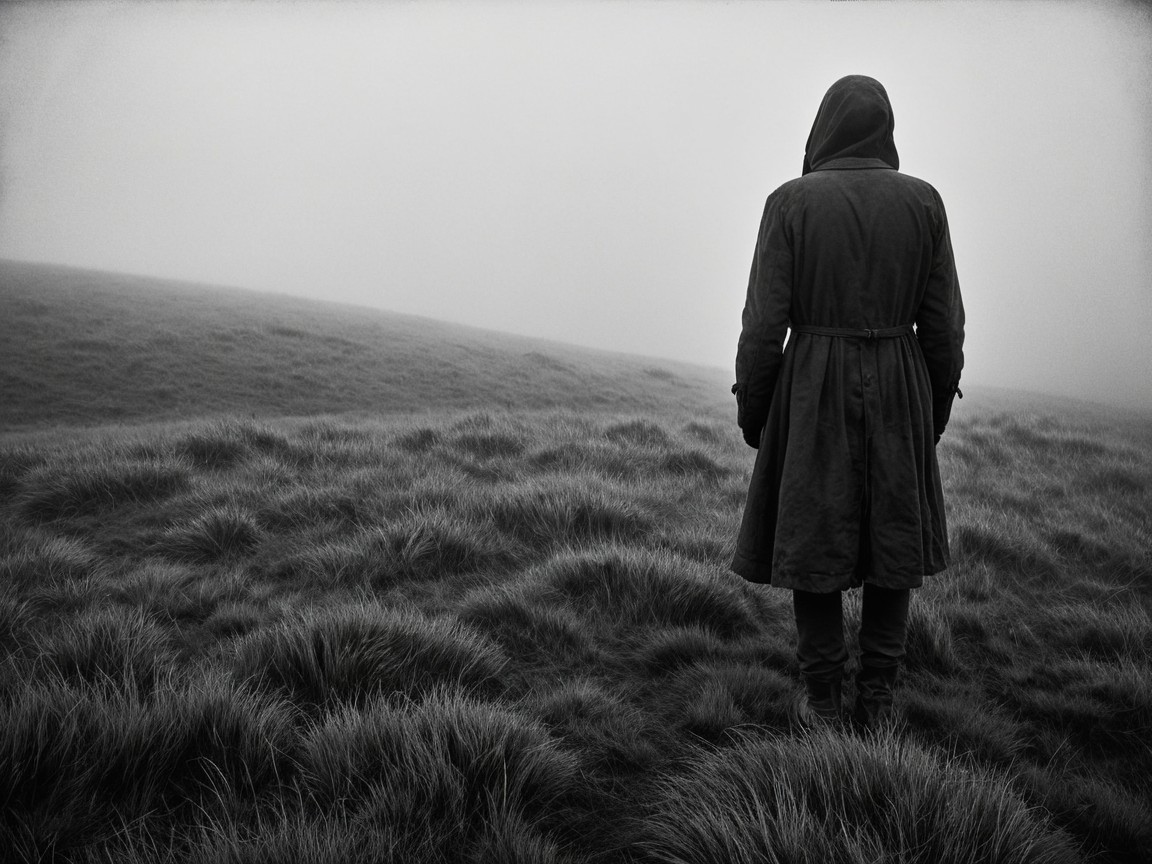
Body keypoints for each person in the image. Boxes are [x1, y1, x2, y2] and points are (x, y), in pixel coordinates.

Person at [730, 75, 965, 729]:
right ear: (884, 128)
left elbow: (761, 324)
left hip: (812, 388)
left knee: (813, 535)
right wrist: (933, 413)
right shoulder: (925, 204)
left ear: (823, 128)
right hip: (900, 382)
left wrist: (758, 414)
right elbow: (944, 327)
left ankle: (823, 696)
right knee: (895, 532)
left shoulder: (790, 203)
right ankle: (880, 692)